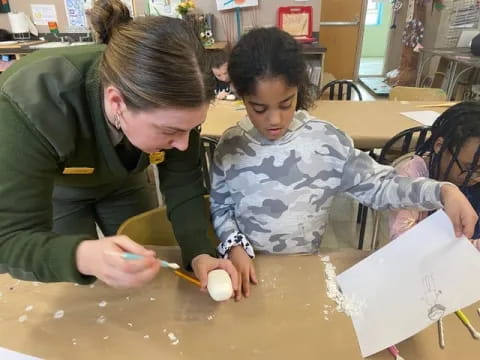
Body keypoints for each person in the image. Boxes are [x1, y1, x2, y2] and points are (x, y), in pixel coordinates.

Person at [209, 27, 478, 300]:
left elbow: (382, 186)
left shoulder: (326, 142)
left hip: (305, 273)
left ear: (298, 91)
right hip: (248, 273)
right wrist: (234, 245)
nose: (275, 120)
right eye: (259, 108)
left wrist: (442, 192)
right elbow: (221, 208)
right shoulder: (231, 147)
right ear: (242, 96)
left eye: (286, 103)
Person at [0, 0, 237, 291]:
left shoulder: (173, 103)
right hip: (59, 187)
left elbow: (183, 181)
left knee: (140, 276)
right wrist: (81, 256)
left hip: (124, 178)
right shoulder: (29, 104)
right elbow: (10, 241)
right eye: (170, 131)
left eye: (192, 128)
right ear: (116, 103)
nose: (184, 144)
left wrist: (200, 251)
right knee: (77, 288)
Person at [390, 102, 480, 246]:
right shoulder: (411, 177)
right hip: (423, 261)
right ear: (440, 146)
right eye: (471, 168)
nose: (477, 177)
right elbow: (402, 240)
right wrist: (471, 246)